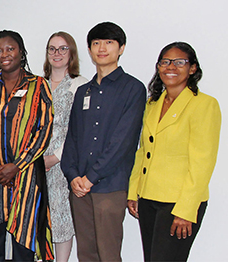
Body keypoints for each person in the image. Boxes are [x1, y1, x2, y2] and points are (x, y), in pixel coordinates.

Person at [127, 42, 221, 261]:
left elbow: (202, 163)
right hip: (149, 198)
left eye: (180, 62)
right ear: (158, 67)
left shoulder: (205, 105)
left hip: (179, 203)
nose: (171, 67)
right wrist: (134, 191)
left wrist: (186, 210)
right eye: (165, 62)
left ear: (193, 69)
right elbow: (143, 151)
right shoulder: (153, 104)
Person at [60, 22, 146, 261]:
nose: (102, 48)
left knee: (108, 253)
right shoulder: (83, 91)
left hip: (110, 186)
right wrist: (73, 176)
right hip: (79, 188)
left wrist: (91, 177)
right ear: (89, 49)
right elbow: (73, 138)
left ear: (121, 48)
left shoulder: (133, 88)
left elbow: (123, 142)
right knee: (86, 252)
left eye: (109, 42)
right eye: (96, 43)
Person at [0, 30, 54, 262]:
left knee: (23, 242)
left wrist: (17, 165)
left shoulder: (39, 85)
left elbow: (44, 130)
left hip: (24, 176)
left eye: (10, 49)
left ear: (21, 52)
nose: (4, 54)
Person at [41, 31, 88, 262]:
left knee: (61, 218)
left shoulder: (81, 86)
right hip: (35, 162)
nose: (57, 53)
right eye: (52, 48)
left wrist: (55, 158)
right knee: (38, 216)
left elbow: (79, 129)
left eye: (62, 48)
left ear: (72, 53)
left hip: (63, 163)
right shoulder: (37, 85)